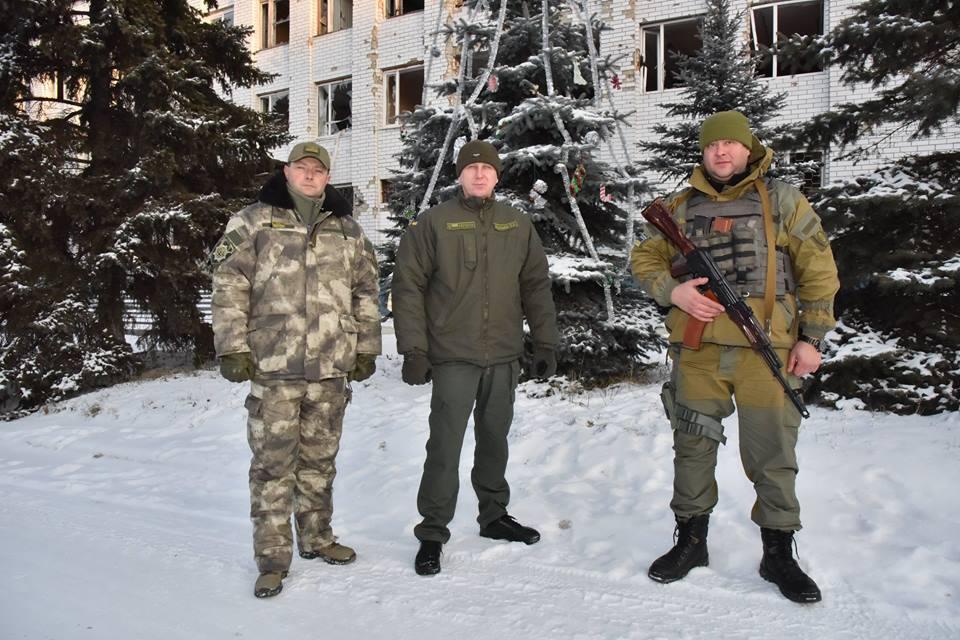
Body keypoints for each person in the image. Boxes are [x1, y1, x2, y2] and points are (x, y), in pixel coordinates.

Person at [631, 111, 839, 603]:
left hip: (767, 349)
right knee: (693, 446)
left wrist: (813, 337)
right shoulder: (681, 207)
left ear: (749, 149)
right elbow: (645, 258)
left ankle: (779, 554)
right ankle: (691, 542)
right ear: (703, 154)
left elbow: (819, 270)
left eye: (730, 144)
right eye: (712, 146)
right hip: (698, 350)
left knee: (771, 451)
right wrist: (674, 292)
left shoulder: (783, 200)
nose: (721, 152)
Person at [208, 141, 381, 598]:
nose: (309, 175)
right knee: (272, 466)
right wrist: (231, 346)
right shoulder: (253, 221)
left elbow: (366, 289)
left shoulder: (346, 228)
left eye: (317, 170)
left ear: (327, 177)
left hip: (329, 366)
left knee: (320, 461)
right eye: (301, 168)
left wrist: (367, 346)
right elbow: (229, 283)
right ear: (286, 172)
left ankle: (318, 537)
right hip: (275, 365)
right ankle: (272, 558)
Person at [392, 140, 560, 576]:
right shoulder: (433, 224)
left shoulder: (517, 224)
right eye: (472, 169)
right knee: (444, 447)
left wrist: (546, 342)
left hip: (503, 356)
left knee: (494, 440)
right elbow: (407, 286)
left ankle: (494, 516)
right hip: (453, 357)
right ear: (460, 175)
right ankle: (432, 530)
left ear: (498, 176)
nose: (480, 175)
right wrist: (414, 348)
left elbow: (536, 286)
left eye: (487, 169)